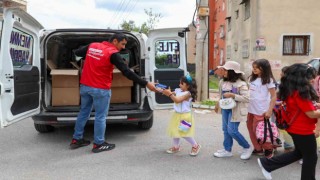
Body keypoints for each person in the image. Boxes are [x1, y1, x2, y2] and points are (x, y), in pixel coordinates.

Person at [69, 33, 157, 153]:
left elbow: (77, 53)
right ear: (115, 41)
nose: (124, 47)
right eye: (123, 44)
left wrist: (92, 58)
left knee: (84, 112)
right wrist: (146, 84)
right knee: (100, 116)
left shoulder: (93, 46)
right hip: (100, 89)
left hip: (85, 87)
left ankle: (76, 139)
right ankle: (98, 144)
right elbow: (127, 72)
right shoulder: (112, 53)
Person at [257, 63, 320, 180]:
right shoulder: (301, 93)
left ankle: (267, 164)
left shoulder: (291, 89)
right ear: (301, 78)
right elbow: (311, 113)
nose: (313, 80)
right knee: (310, 157)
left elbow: (304, 108)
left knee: (300, 153)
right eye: (310, 77)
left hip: (294, 128)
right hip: (303, 130)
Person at [213, 61, 253, 160]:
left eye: (225, 70)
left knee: (232, 131)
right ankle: (227, 150)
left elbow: (247, 98)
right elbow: (221, 95)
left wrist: (233, 95)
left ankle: (247, 147)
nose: (223, 71)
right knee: (225, 130)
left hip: (235, 110)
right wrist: (217, 104)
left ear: (232, 72)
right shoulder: (222, 82)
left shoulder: (241, 84)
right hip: (225, 109)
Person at [161, 75, 201, 156]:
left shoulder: (188, 94)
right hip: (177, 115)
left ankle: (195, 145)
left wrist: (169, 94)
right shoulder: (178, 90)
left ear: (188, 86)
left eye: (182, 84)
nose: (179, 85)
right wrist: (165, 91)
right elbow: (172, 94)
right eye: (180, 83)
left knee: (184, 133)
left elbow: (177, 100)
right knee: (175, 132)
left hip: (185, 116)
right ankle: (176, 147)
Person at [247, 59, 277, 158]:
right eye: (253, 68)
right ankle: (258, 148)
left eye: (257, 68)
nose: (254, 69)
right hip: (251, 109)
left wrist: (269, 110)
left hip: (262, 111)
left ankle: (268, 148)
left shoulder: (268, 80)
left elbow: (273, 96)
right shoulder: (252, 78)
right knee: (251, 129)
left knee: (262, 130)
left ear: (264, 68)